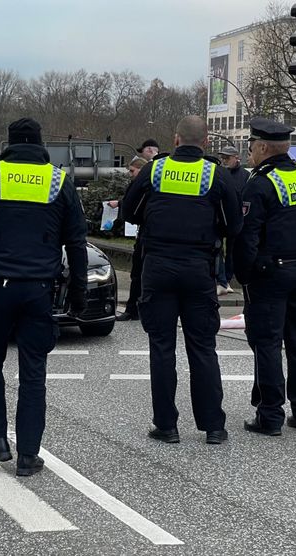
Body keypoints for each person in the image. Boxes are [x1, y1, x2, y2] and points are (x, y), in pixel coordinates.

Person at [0, 118, 88, 477]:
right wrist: (79, 292)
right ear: (40, 144)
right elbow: (76, 242)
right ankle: (29, 455)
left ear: (10, 144)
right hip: (40, 291)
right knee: (33, 373)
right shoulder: (59, 181)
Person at [122, 115, 242, 445]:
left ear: (175, 140)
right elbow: (234, 224)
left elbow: (129, 213)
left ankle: (166, 425)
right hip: (198, 268)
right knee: (202, 347)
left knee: (161, 348)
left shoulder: (155, 170)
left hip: (158, 266)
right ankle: (213, 426)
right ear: (205, 143)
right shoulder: (215, 174)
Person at [234, 117, 296, 436]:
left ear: (261, 147)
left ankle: (270, 415)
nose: (249, 153)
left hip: (271, 275)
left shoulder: (259, 183)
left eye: (251, 148)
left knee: (267, 343)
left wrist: (243, 275)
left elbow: (247, 238)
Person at [115, 156, 149, 321]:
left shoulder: (142, 185)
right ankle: (136, 309)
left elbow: (133, 207)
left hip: (146, 236)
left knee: (138, 274)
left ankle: (133, 309)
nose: (130, 174)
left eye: (132, 171)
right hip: (146, 234)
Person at [215, 145, 250, 296]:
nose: (224, 161)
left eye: (227, 158)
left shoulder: (245, 176)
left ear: (237, 158)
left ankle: (226, 279)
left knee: (232, 252)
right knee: (217, 250)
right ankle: (221, 280)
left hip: (236, 219)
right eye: (222, 158)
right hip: (219, 218)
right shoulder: (220, 173)